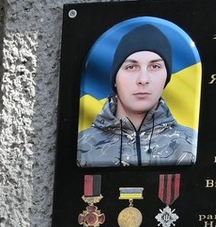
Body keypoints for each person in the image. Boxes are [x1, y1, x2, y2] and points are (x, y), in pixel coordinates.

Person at [77, 23, 199, 167]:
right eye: (131, 67)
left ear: (166, 78)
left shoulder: (193, 144)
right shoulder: (80, 145)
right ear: (115, 79)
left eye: (155, 66)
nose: (143, 79)